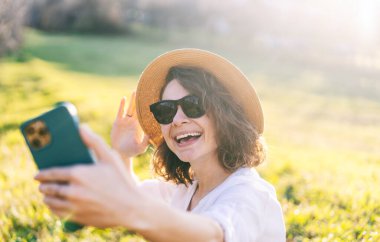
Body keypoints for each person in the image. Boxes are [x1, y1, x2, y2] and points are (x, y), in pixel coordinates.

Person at [34, 49, 286, 241]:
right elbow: (132, 197)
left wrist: (128, 209)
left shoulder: (250, 194)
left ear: (225, 114)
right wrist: (122, 153)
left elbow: (212, 234)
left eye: (192, 105)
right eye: (165, 111)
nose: (177, 119)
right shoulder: (183, 191)